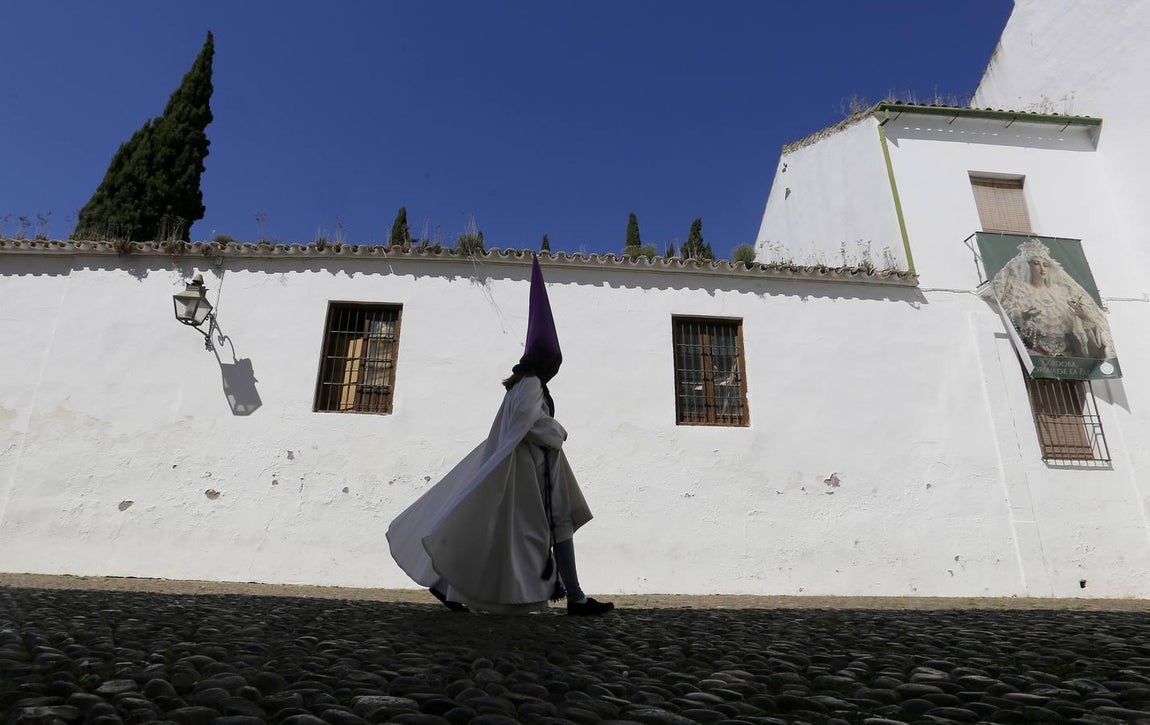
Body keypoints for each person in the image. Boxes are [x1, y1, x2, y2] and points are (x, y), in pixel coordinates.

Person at [387, 254, 613, 616]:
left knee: (540, 526)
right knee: (536, 529)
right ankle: (574, 597)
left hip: (539, 469)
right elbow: (532, 424)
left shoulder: (522, 385)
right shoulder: (529, 385)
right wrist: (560, 431)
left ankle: (575, 595)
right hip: (530, 473)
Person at [992, 238, 1114, 360]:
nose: (1042, 268)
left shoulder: (1061, 292)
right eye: (1036, 264)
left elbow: (1077, 326)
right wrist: (1022, 317)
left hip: (1067, 353)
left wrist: (1083, 317)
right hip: (1035, 352)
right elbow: (1010, 312)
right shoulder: (1021, 291)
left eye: (1045, 265)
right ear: (1027, 266)